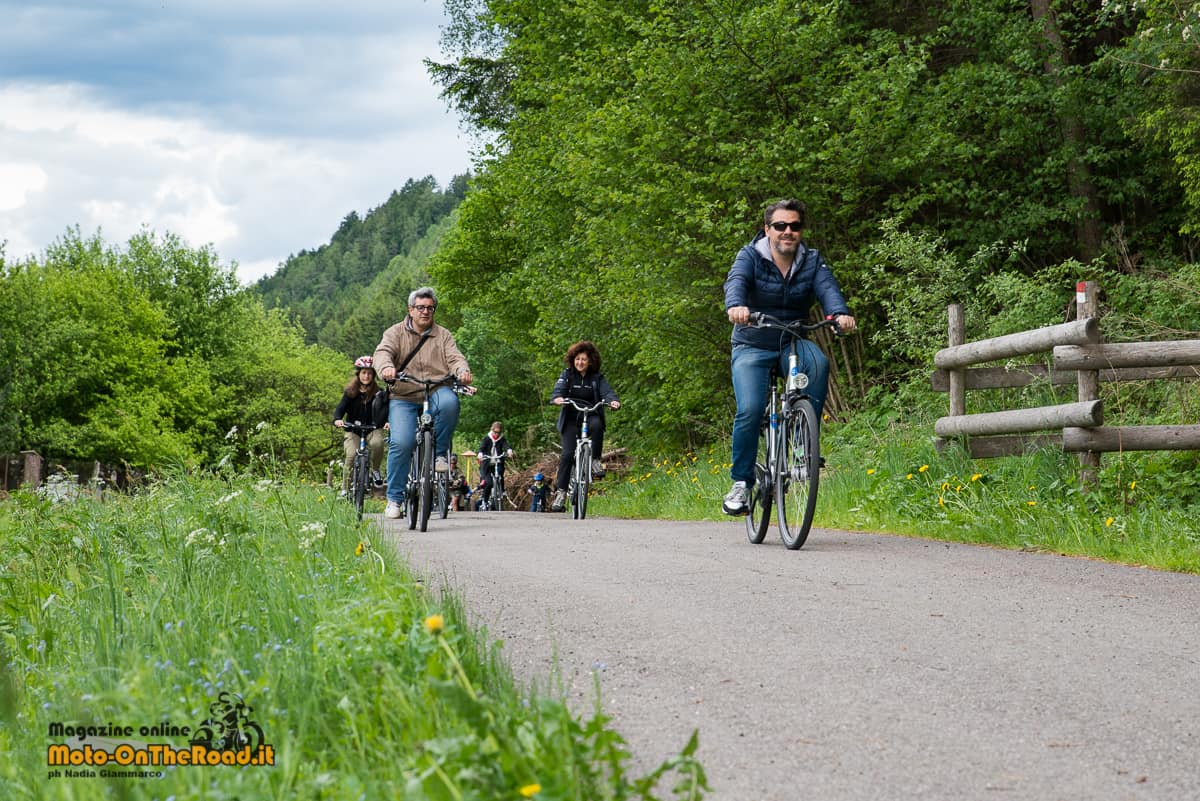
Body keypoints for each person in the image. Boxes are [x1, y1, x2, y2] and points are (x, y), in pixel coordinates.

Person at [722, 198, 857, 516]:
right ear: (767, 229)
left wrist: (839, 313)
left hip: (794, 340)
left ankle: (802, 445)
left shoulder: (811, 259)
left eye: (794, 226)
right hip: (752, 342)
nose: (788, 232)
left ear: (801, 230)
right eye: (780, 225)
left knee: (819, 363)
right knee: (751, 409)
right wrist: (737, 307)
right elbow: (736, 282)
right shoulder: (750, 256)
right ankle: (741, 484)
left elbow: (828, 288)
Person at [373, 287, 474, 519]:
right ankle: (395, 499)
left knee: (450, 403)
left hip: (436, 389)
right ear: (410, 310)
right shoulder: (395, 333)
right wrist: (386, 368)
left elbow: (455, 357)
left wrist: (462, 371)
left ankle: (440, 455)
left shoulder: (443, 335)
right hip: (404, 394)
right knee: (401, 442)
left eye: (430, 308)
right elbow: (383, 353)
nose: (425, 312)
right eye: (420, 307)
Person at [549, 340, 620, 512]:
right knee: (567, 454)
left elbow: (607, 391)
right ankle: (561, 492)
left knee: (597, 426)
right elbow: (558, 390)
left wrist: (613, 401)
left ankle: (595, 460)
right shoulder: (567, 375)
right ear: (573, 360)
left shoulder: (597, 378)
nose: (580, 363)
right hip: (571, 417)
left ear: (590, 361)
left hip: (590, 413)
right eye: (577, 359)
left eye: (584, 359)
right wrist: (558, 398)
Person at [332, 356, 388, 497]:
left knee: (377, 444)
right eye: (363, 373)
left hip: (373, 428)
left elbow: (386, 410)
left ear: (373, 375)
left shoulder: (379, 393)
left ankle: (375, 470)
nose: (366, 376)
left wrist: (387, 421)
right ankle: (345, 489)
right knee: (351, 455)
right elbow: (340, 409)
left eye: (369, 373)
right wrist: (337, 419)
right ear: (358, 374)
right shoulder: (350, 392)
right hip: (353, 430)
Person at [477, 421, 514, 509]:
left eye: (499, 432)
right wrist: (480, 453)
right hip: (487, 463)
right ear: (492, 430)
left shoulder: (501, 439)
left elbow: (506, 445)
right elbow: (481, 447)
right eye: (495, 432)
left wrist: (509, 450)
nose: (497, 434)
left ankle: (502, 490)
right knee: (489, 483)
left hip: (497, 461)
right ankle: (485, 500)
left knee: (500, 473)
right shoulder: (487, 438)